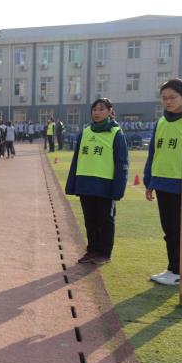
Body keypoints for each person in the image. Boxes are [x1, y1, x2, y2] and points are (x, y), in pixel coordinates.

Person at [65, 98, 128, 265]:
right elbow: (77, 159)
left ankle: (104, 253)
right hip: (85, 183)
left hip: (105, 185)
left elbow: (122, 162)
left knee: (105, 221)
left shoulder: (116, 133)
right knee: (90, 220)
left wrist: (119, 188)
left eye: (101, 109)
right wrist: (73, 183)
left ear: (110, 111)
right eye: (94, 109)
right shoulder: (85, 131)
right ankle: (92, 250)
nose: (97, 112)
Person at [144, 78, 182, 286]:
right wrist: (149, 181)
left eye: (173, 97)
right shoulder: (160, 122)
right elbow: (153, 153)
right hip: (162, 182)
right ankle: (172, 268)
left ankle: (180, 271)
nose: (168, 101)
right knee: (169, 229)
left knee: (180, 230)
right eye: (164, 98)